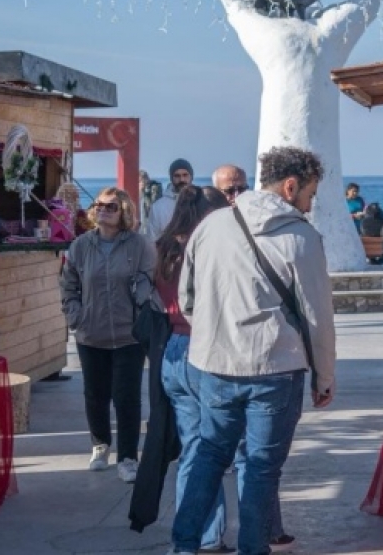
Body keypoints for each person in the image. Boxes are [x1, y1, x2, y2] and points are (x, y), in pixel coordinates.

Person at [171, 146, 337, 555]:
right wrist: (324, 377)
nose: (311, 204)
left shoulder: (211, 227)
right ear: (291, 186)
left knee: (208, 456)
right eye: (310, 194)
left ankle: (183, 546)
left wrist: (218, 334)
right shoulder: (301, 237)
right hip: (275, 369)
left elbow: (187, 299)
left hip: (215, 364)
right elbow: (318, 317)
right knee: (261, 469)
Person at [143, 186, 233, 550]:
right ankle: (207, 534)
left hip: (172, 349)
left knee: (193, 448)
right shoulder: (206, 248)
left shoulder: (164, 247)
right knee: (211, 449)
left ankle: (191, 530)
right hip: (202, 345)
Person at [211, 162, 294, 550]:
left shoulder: (263, 230)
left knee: (258, 460)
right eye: (228, 190)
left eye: (241, 188)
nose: (235, 196)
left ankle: (264, 533)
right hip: (222, 363)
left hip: (261, 359)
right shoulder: (210, 235)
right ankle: (209, 538)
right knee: (229, 457)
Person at [60, 187, 156, 483]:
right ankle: (100, 445)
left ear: (124, 212)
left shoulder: (139, 245)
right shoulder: (80, 245)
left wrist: (141, 308)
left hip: (129, 336)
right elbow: (68, 285)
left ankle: (128, 457)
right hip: (91, 333)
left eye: (111, 207)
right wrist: (75, 315)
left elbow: (149, 279)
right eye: (99, 205)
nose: (103, 210)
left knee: (127, 398)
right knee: (95, 394)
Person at [146, 159, 194, 240]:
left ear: (191, 177)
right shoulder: (158, 207)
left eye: (185, 175)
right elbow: (152, 238)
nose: (182, 180)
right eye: (177, 176)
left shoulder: (202, 201)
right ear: (171, 178)